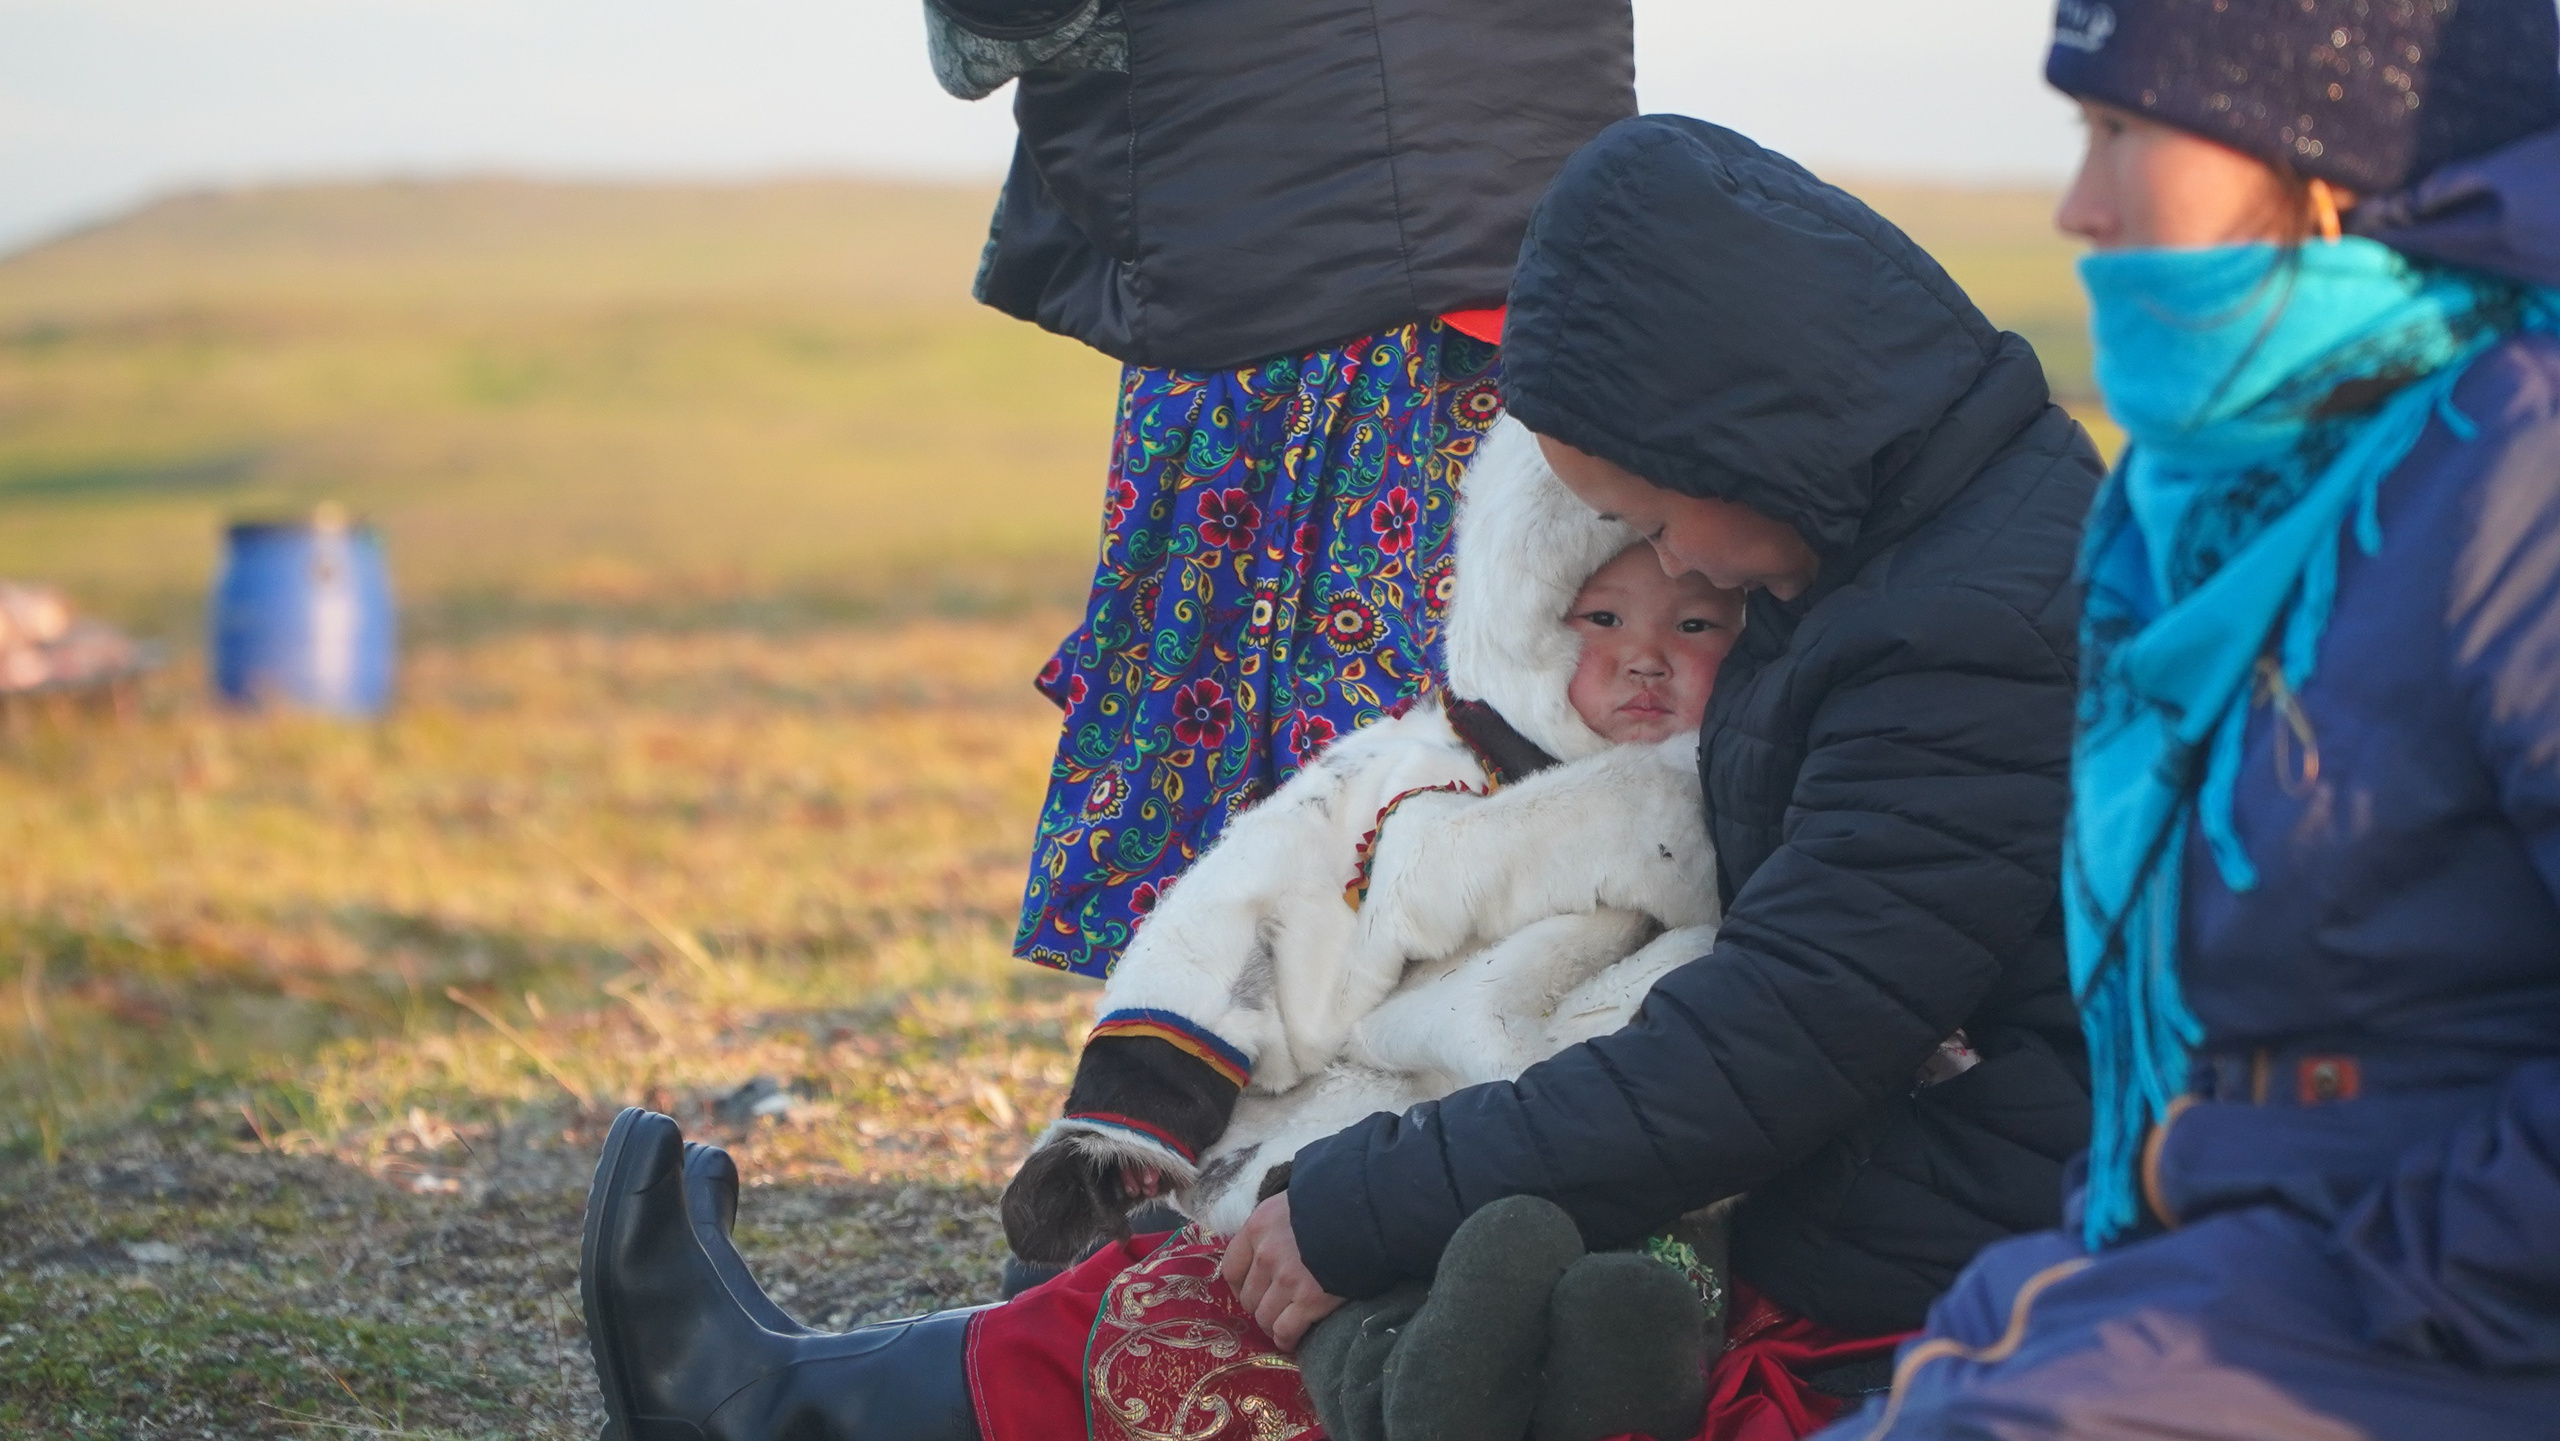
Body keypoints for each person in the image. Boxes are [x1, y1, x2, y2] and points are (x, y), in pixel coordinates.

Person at [1822, 1, 2560, 1436]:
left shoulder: (2517, 472)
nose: (2076, 207)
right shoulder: (2186, 505)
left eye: (2121, 132)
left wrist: (2419, 1272)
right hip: (2182, 1230)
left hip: (2422, 1296)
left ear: (2317, 157)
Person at [920, 0, 1638, 981]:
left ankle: (1277, 1081)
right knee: (1528, 684)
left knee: (1303, 757)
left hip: (1281, 254)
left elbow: (1010, 23)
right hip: (1536, 233)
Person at [999, 416, 1738, 1258]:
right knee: (1319, 1190)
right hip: (1390, 1117)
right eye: (1601, 617)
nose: (1645, 658)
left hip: (1608, 1132)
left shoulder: (1755, 793)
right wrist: (1143, 1105)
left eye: (1696, 627)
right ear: (1518, 611)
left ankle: (1606, 1303)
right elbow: (1255, 900)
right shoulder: (1410, 773)